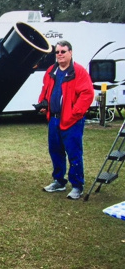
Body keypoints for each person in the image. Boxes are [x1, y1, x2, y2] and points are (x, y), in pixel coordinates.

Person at [38, 40, 94, 200]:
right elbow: (45, 90)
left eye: (63, 51)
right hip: (54, 120)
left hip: (72, 121)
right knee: (55, 151)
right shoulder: (51, 70)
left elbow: (87, 94)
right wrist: (43, 103)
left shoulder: (79, 71)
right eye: (57, 52)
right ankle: (59, 181)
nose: (60, 54)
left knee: (74, 153)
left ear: (70, 52)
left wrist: (75, 113)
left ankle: (77, 186)